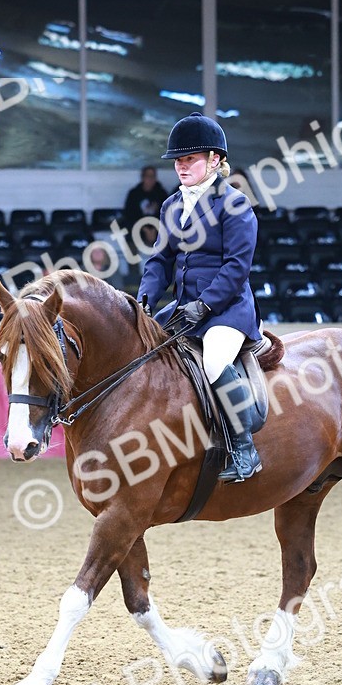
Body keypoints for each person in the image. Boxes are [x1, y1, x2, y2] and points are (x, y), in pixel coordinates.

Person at [138, 111, 262, 483]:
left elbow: (237, 267)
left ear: (214, 160)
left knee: (212, 362)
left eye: (189, 158)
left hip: (226, 310)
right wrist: (145, 298)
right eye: (178, 159)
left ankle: (245, 450)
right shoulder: (172, 205)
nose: (181, 166)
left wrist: (205, 304)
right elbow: (160, 260)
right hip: (184, 308)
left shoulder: (235, 205)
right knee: (141, 349)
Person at [123, 166, 169, 238]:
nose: (150, 179)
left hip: (158, 229)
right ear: (142, 177)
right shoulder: (134, 194)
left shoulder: (161, 193)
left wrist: (155, 229)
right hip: (138, 228)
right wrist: (144, 229)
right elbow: (129, 215)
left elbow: (167, 214)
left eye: (153, 176)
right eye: (148, 176)